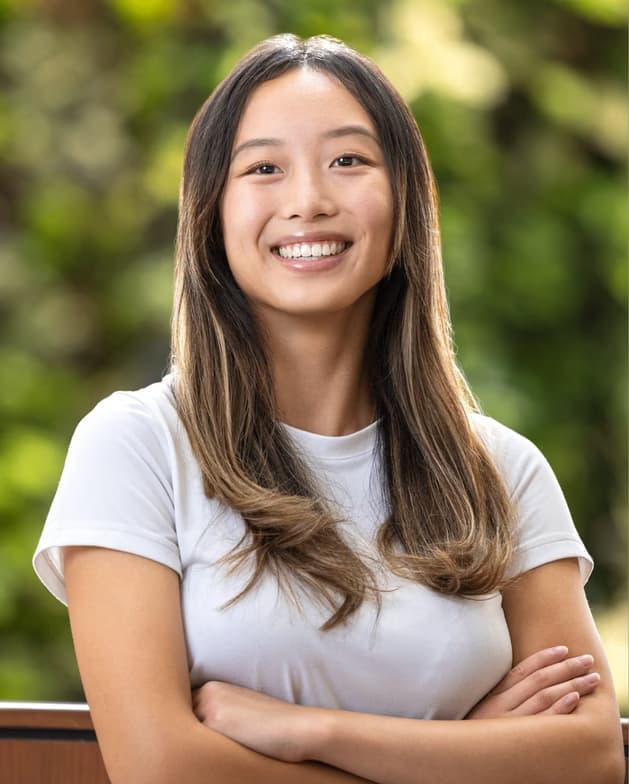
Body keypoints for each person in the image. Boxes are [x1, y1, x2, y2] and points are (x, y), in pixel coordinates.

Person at [33, 34, 624, 784]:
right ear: (211, 213)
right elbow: (159, 768)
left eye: (348, 160)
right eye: (263, 168)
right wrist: (467, 757)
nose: (308, 201)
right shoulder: (136, 446)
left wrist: (307, 731)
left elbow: (590, 756)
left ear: (405, 203)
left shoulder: (501, 470)